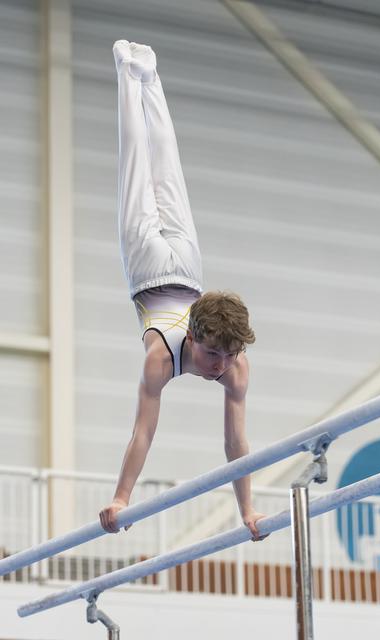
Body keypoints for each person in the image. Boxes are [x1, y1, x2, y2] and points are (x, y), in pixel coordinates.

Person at [99, 40, 266, 541]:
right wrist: (122, 496)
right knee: (161, 172)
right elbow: (143, 432)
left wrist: (248, 511)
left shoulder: (232, 363)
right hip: (180, 271)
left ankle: (139, 77)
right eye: (214, 353)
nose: (219, 366)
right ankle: (138, 73)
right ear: (192, 337)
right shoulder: (164, 358)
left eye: (228, 355)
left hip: (153, 269)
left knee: (146, 170)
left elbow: (235, 443)